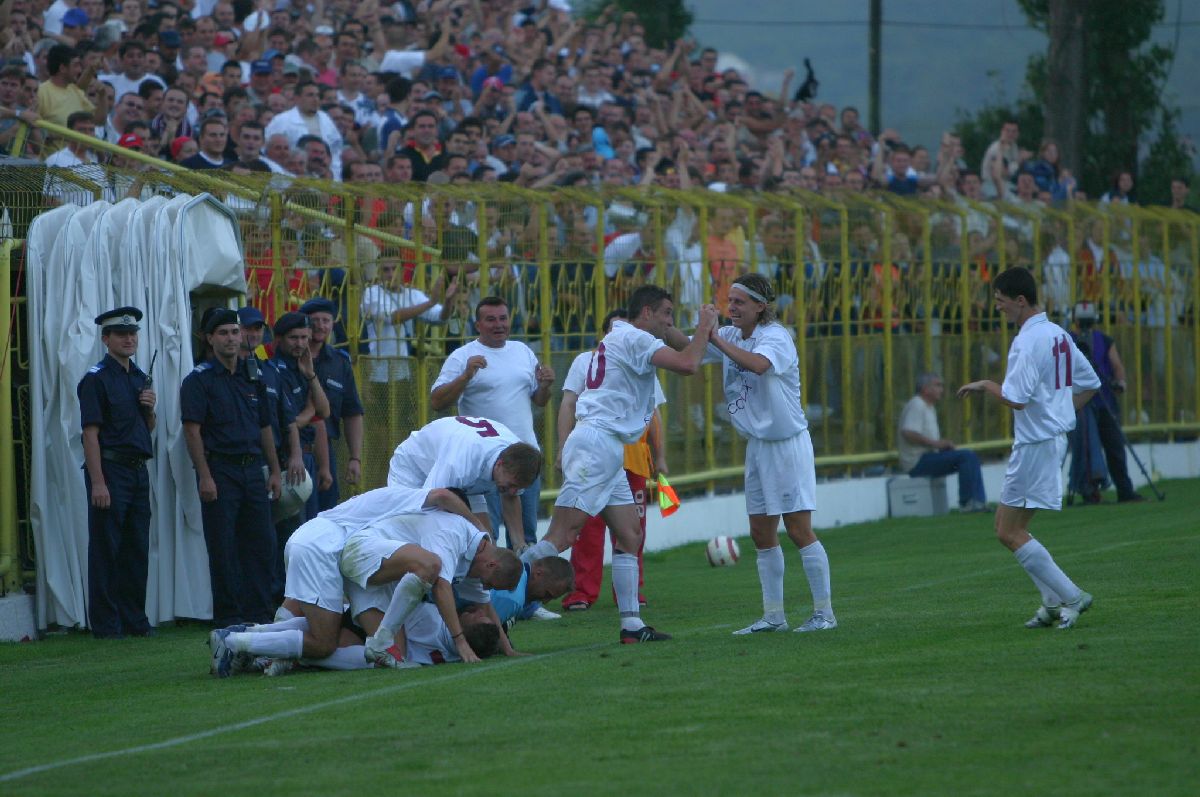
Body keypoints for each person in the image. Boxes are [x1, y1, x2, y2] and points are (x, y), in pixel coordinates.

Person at [524, 285, 717, 644]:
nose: (670, 323)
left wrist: (691, 331)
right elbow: (689, 363)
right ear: (646, 313)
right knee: (563, 535)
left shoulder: (624, 334)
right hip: (596, 445)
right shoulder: (636, 340)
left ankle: (631, 625)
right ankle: (494, 591)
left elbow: (676, 340)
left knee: (629, 535)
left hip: (607, 447)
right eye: (666, 314)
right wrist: (705, 326)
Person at [208, 485, 488, 677]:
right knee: (324, 642)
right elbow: (443, 496)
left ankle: (253, 636)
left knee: (324, 625)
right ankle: (234, 642)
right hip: (323, 546)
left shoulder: (408, 510)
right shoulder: (425, 506)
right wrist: (477, 525)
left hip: (317, 540)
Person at [957, 267, 1101, 630]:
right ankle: (1052, 603)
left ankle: (1071, 596)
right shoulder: (1058, 334)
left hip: (1035, 445)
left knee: (1008, 531)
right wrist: (1061, 416)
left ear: (1020, 300)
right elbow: (1091, 384)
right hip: (1049, 441)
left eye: (1000, 301)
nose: (998, 308)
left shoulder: (1027, 340)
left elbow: (1016, 399)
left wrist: (986, 384)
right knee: (1007, 528)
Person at [699, 274, 836, 634]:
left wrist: (713, 336)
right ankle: (773, 616)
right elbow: (687, 345)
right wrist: (669, 329)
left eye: (740, 302)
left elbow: (759, 365)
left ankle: (824, 613)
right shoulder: (730, 334)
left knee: (798, 529)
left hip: (787, 444)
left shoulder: (776, 337)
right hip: (758, 447)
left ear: (761, 306)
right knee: (760, 531)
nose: (731, 308)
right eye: (729, 301)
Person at [558, 309, 665, 612]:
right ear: (604, 335)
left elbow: (654, 413)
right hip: (596, 452)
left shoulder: (644, 358)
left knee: (632, 531)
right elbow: (568, 403)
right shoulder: (585, 361)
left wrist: (661, 456)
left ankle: (631, 599)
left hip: (632, 458)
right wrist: (562, 448)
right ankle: (581, 591)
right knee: (584, 528)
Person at [181, 308, 282, 627]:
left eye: (234, 332)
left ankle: (260, 614)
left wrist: (275, 470)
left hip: (253, 470)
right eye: (223, 333)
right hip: (220, 470)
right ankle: (229, 617)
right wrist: (205, 476)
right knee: (224, 547)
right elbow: (192, 430)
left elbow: (265, 425)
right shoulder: (198, 380)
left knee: (262, 544)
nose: (231, 338)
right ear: (210, 339)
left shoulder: (253, 375)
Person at [430, 296, 555, 551]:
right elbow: (437, 401)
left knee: (526, 538)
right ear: (478, 325)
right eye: (490, 320)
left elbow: (539, 401)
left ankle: (523, 591)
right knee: (487, 540)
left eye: (503, 318)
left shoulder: (522, 351)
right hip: (486, 464)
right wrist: (465, 376)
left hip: (525, 457)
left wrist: (545, 386)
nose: (498, 325)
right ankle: (490, 591)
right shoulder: (462, 356)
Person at [341, 509, 524, 667]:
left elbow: (485, 605)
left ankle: (378, 641)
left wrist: (507, 648)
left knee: (394, 655)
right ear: (491, 565)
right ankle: (380, 640)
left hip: (376, 567)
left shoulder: (474, 556)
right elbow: (441, 587)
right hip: (362, 551)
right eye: (490, 583)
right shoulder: (453, 534)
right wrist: (460, 641)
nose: (485, 586)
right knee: (430, 566)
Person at [76, 307, 155, 639]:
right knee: (107, 548)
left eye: (133, 333)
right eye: (121, 334)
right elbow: (90, 434)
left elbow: (145, 429)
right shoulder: (95, 379)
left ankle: (135, 619)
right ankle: (107, 625)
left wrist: (150, 410)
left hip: (137, 470)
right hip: (110, 468)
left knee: (136, 547)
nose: (128, 338)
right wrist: (98, 482)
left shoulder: (139, 377)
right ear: (105, 338)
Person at [386, 415, 542, 538]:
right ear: (500, 464)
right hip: (413, 466)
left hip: (467, 476)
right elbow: (434, 500)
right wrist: (477, 525)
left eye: (519, 488)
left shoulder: (517, 457)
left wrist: (519, 547)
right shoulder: (460, 461)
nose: (513, 491)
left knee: (487, 541)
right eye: (512, 485)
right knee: (414, 529)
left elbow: (511, 498)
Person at [1068, 302, 1143, 504]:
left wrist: (1120, 382)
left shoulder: (1101, 340)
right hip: (1082, 402)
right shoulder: (1070, 341)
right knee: (1086, 445)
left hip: (1102, 401)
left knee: (1115, 446)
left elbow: (1117, 366)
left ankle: (1124, 490)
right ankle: (1090, 489)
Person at [300, 297, 364, 510]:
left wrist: (355, 458)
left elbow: (352, 412)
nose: (320, 326)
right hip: (296, 447)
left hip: (326, 450)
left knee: (326, 513)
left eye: (325, 320)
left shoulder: (339, 362)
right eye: (314, 320)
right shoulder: (291, 358)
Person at [270, 312, 332, 521]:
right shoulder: (275, 371)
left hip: (307, 456)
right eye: (294, 338)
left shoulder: (302, 367)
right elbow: (291, 422)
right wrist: (309, 412)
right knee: (294, 527)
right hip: (289, 458)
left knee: (310, 524)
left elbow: (324, 411)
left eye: (304, 338)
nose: (300, 344)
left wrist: (311, 375)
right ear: (279, 339)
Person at [898, 373, 988, 512]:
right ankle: (970, 503)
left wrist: (942, 446)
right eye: (938, 385)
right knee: (966, 457)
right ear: (925, 389)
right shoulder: (917, 404)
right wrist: (936, 444)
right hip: (917, 462)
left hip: (926, 457)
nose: (941, 389)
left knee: (968, 457)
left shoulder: (928, 407)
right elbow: (908, 432)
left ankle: (975, 501)